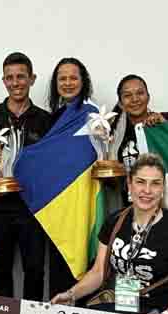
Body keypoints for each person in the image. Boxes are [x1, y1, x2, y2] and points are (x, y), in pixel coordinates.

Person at [51, 154, 168, 314]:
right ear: (129, 184)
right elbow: (98, 272)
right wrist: (72, 294)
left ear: (163, 188)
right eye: (140, 182)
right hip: (120, 307)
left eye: (155, 183)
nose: (147, 190)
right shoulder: (115, 221)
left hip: (157, 313)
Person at [0, 52, 52, 300]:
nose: (15, 82)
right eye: (10, 77)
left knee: (35, 269)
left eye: (21, 76)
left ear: (32, 79)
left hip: (33, 208)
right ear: (3, 81)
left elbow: (50, 162)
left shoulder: (45, 119)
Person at [45, 57, 95, 298]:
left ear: (83, 81)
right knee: (57, 265)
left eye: (73, 77)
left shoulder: (94, 115)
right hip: (57, 205)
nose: (67, 83)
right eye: (62, 78)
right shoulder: (50, 118)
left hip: (85, 202)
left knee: (87, 262)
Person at [111, 74, 168, 208]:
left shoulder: (166, 120)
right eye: (128, 95)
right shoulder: (115, 135)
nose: (135, 99)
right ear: (121, 103)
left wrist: (166, 126)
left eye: (140, 93)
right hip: (131, 209)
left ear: (148, 96)